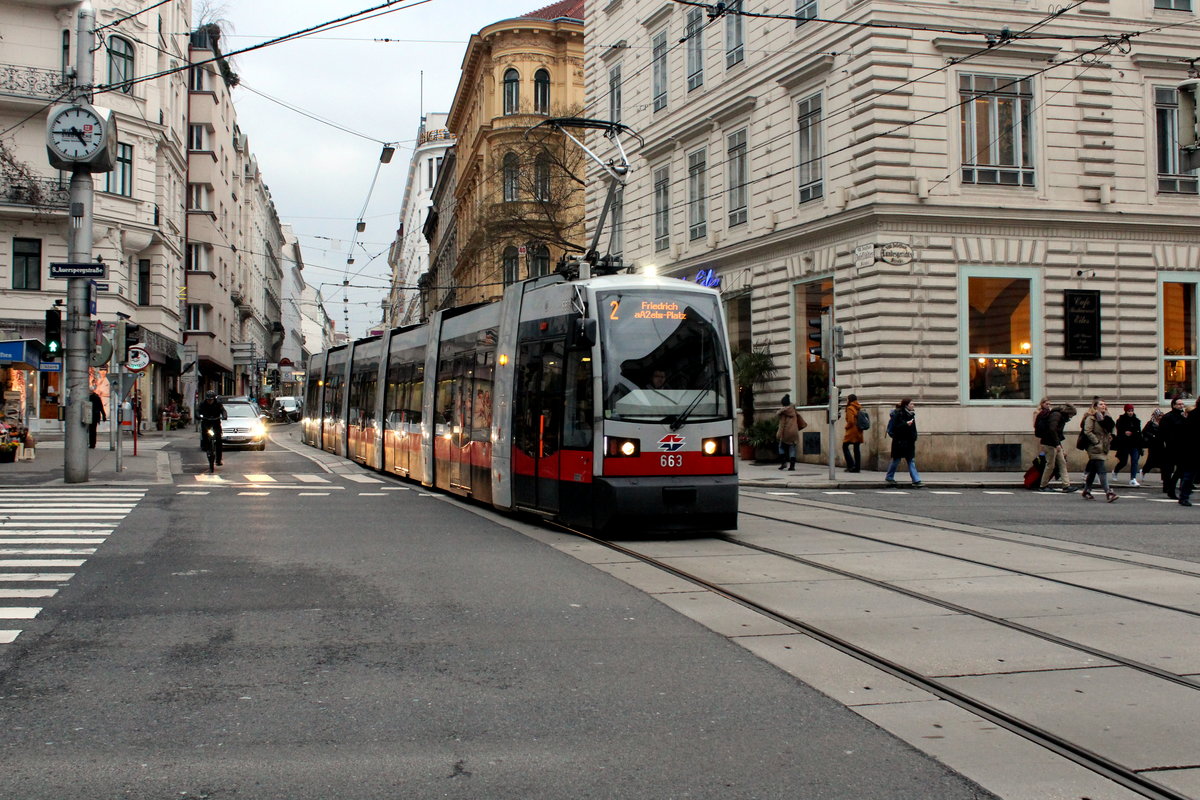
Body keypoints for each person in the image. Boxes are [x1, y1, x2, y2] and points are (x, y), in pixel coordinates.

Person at [1080, 399, 1117, 502]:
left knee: (1093, 471)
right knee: (1101, 469)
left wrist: (1112, 435)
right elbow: (1087, 431)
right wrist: (1096, 441)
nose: (1103, 406)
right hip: (1094, 447)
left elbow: (1113, 427)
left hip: (1104, 446)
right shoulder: (1091, 417)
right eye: (1101, 404)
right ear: (1095, 406)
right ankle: (1108, 492)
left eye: (1104, 404)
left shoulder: (1107, 417)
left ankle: (1086, 491)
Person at [1038, 402, 1078, 492]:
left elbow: (1057, 432)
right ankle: (1043, 485)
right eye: (1072, 414)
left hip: (1055, 443)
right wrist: (1057, 444)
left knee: (1062, 463)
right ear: (1068, 412)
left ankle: (1066, 485)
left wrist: (1059, 445)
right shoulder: (1056, 415)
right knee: (1050, 465)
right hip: (1049, 443)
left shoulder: (1060, 416)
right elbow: (1052, 429)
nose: (1071, 417)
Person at [885, 398, 923, 488]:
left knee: (911, 460)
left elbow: (913, 428)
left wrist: (914, 437)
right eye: (911, 404)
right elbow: (896, 427)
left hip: (909, 441)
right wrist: (906, 424)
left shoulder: (911, 414)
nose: (913, 405)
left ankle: (916, 480)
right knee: (896, 460)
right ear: (906, 405)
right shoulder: (899, 414)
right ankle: (889, 477)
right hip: (899, 441)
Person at [1159, 396, 1189, 500]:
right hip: (1171, 447)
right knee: (1168, 469)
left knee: (1181, 469)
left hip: (1182, 447)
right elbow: (1163, 433)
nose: (1181, 406)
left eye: (1182, 404)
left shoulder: (1184, 416)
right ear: (1174, 405)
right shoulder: (1168, 417)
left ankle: (1173, 487)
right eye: (1179, 404)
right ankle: (1168, 487)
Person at [1112, 404, 1143, 486]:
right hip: (1124, 444)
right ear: (1125, 411)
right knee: (1123, 462)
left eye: (1132, 411)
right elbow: (1119, 431)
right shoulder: (1121, 420)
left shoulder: (1136, 420)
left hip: (1134, 444)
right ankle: (1115, 471)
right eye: (1129, 411)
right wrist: (1124, 433)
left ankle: (1133, 479)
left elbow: (1138, 432)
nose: (1130, 412)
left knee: (1134, 461)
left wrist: (1132, 433)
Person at [196, 390, 228, 466]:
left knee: (219, 440)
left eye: (211, 400)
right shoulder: (203, 404)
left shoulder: (218, 404)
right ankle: (206, 448)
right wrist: (198, 416)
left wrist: (224, 416)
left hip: (216, 422)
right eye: (208, 400)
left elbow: (223, 411)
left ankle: (218, 460)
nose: (209, 401)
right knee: (204, 436)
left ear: (214, 399)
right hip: (206, 422)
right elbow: (197, 411)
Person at [1178, 397, 1200, 507]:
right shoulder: (1194, 415)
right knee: (1189, 475)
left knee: (1189, 475)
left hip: (1192, 450)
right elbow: (1188, 433)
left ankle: (1184, 496)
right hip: (1193, 449)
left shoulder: (1192, 415)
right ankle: (1184, 496)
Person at [775, 394, 805, 471]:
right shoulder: (794, 411)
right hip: (794, 432)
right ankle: (792, 466)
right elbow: (799, 418)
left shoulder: (783, 413)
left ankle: (783, 463)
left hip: (786, 433)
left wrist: (778, 435)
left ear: (783, 404)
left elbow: (782, 425)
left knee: (781, 447)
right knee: (792, 448)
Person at [842, 393, 863, 473]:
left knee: (845, 446)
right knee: (856, 449)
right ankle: (857, 467)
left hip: (852, 431)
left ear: (849, 400)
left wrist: (846, 427)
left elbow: (850, 421)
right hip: (859, 430)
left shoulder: (850, 408)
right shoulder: (858, 407)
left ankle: (851, 465)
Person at [1141, 408, 1164, 478]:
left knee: (1163, 461)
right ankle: (1144, 471)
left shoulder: (1163, 423)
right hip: (1153, 444)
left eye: (1161, 415)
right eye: (1159, 415)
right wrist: (1152, 435)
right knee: (1150, 460)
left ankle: (1164, 478)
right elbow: (1144, 432)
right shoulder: (1150, 423)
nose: (1160, 417)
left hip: (1161, 444)